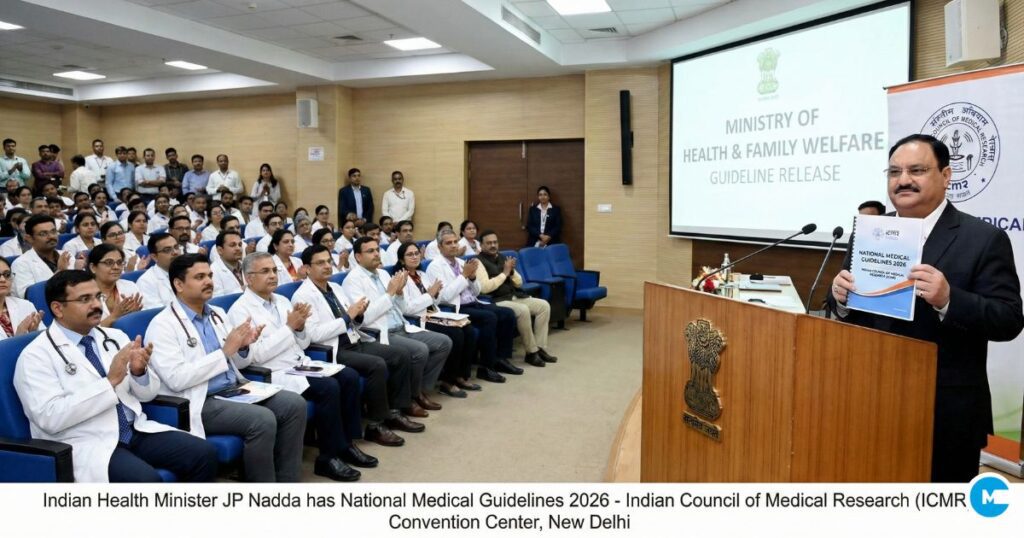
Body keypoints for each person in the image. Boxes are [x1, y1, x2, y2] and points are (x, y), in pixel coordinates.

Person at [829, 134, 1024, 483]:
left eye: (916, 170)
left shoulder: (982, 239)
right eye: (894, 172)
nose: (903, 180)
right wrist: (840, 297)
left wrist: (949, 299)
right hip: (871, 400)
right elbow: (848, 310)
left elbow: (1008, 320)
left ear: (946, 175)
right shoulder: (870, 232)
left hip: (945, 414)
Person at [14, 270, 218, 482]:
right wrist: (109, 382)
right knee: (146, 481)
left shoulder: (114, 337)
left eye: (97, 296)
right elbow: (50, 418)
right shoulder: (35, 356)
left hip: (134, 429)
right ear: (58, 308)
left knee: (204, 453)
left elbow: (147, 395)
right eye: (85, 299)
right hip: (88, 440)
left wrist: (140, 373)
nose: (96, 305)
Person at [146, 254, 307, 482]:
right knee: (262, 420)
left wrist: (243, 348)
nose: (209, 281)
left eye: (210, 275)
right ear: (179, 284)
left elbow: (239, 363)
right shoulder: (162, 325)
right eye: (200, 277)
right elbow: (176, 379)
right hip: (202, 399)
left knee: (293, 404)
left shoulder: (217, 315)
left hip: (234, 388)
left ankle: (287, 480)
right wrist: (224, 352)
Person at [228, 252, 375, 480]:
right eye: (264, 271)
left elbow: (304, 342)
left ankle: (346, 444)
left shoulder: (282, 301)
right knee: (329, 388)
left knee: (348, 376)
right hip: (273, 372)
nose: (272, 276)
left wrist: (298, 329)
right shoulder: (240, 310)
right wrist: (289, 329)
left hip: (299, 363)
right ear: (248, 278)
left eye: (274, 270)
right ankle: (327, 458)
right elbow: (252, 357)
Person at [294, 244, 419, 446]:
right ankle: (375, 426)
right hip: (333, 349)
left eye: (328, 261)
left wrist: (358, 315)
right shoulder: (303, 295)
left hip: (354, 339)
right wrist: (347, 317)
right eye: (320, 263)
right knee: (377, 365)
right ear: (307, 268)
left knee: (400, 355)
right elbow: (315, 334)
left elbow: (353, 319)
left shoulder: (335, 287)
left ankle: (394, 412)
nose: (327, 266)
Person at [343, 236, 452, 413]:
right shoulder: (353, 280)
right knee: (419, 350)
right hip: (380, 333)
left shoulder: (384, 274)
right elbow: (364, 318)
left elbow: (402, 309)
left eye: (377, 249)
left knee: (443, 342)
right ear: (358, 257)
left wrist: (399, 294)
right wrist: (390, 293)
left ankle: (420, 390)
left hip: (403, 325)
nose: (376, 254)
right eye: (370, 251)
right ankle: (411, 398)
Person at [427, 229, 521, 378]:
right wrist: (464, 276)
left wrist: (471, 278)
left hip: (473, 302)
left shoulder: (461, 262)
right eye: (448, 243)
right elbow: (444, 297)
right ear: (439, 247)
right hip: (456, 308)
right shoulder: (435, 266)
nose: (453, 245)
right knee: (489, 317)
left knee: (508, 314)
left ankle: (500, 359)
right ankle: (485, 367)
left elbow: (477, 291)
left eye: (455, 242)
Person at [394, 242, 481, 397]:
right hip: (418, 320)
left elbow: (437, 299)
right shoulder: (400, 278)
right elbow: (406, 308)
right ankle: (447, 382)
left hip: (435, 314)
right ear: (401, 260)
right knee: (456, 335)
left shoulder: (422, 275)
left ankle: (461, 375)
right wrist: (430, 295)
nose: (415, 257)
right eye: (410, 254)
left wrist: (434, 295)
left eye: (416, 253)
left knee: (468, 330)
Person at [477, 230, 557, 366]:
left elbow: (519, 282)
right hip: (497, 300)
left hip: (514, 296)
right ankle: (531, 353)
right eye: (489, 243)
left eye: (495, 242)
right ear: (481, 245)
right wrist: (505, 273)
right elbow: (485, 287)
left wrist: (512, 272)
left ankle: (539, 348)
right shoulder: (478, 262)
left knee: (543, 305)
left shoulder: (503, 257)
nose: (493, 245)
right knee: (523, 310)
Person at [12, 214, 70, 298]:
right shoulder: (21, 264)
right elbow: (28, 295)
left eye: (53, 231)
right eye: (43, 234)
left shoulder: (67, 255)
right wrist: (60, 272)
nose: (51, 236)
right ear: (29, 238)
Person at [87, 244, 143, 328]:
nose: (116, 267)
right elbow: (85, 332)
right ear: (93, 267)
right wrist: (114, 317)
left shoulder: (130, 286)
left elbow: (143, 319)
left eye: (119, 262)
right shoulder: (84, 294)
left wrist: (134, 315)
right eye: (109, 263)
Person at [0, 256, 44, 340]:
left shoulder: (25, 305)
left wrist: (33, 334)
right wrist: (18, 340)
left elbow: (45, 341)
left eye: (7, 274)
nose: (3, 279)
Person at [136, 233, 179, 309]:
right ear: (154, 257)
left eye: (176, 247)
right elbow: (157, 314)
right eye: (167, 250)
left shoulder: (189, 271)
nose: (175, 252)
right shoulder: (146, 282)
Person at [211, 230, 246, 296]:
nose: (238, 248)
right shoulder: (213, 271)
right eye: (233, 245)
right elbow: (216, 299)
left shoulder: (247, 265)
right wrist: (241, 290)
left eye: (240, 244)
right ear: (220, 250)